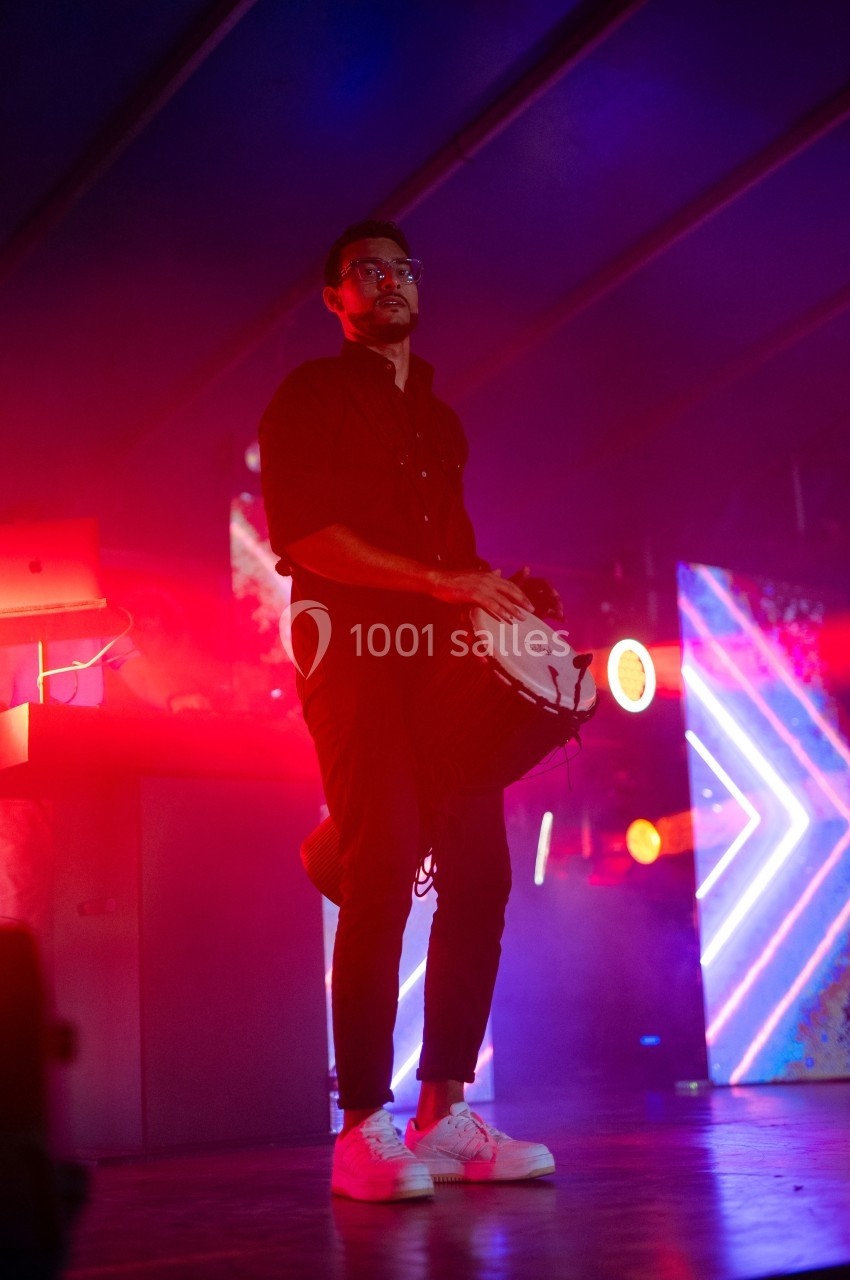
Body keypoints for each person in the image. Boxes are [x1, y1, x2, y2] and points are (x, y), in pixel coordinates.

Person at [259, 220, 561, 1202]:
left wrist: (492, 594)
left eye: (401, 269)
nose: (388, 282)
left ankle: (442, 1113)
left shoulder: (442, 419)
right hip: (348, 649)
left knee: (480, 872)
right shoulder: (309, 395)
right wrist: (441, 581)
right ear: (335, 299)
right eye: (366, 271)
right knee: (383, 858)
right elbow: (306, 536)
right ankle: (361, 1127)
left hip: (437, 661)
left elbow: (456, 561)